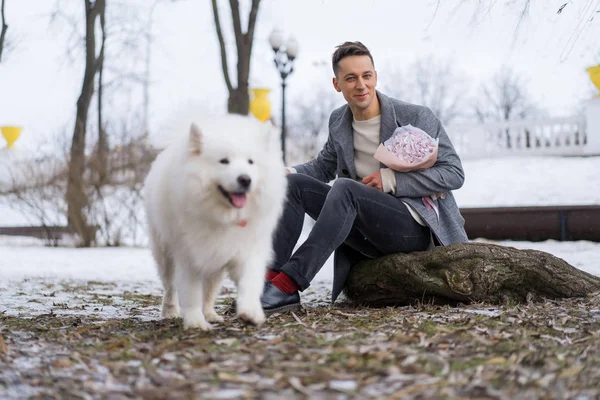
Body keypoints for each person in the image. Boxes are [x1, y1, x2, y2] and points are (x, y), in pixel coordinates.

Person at [259, 41, 468, 314]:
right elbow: (324, 167)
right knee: (293, 185)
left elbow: (453, 172)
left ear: (375, 77)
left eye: (366, 76)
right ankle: (265, 283)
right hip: (362, 227)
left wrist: (391, 180)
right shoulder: (339, 121)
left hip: (412, 227)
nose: (361, 85)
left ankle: (289, 283)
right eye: (351, 78)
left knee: (346, 188)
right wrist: (290, 172)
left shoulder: (415, 116)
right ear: (337, 85)